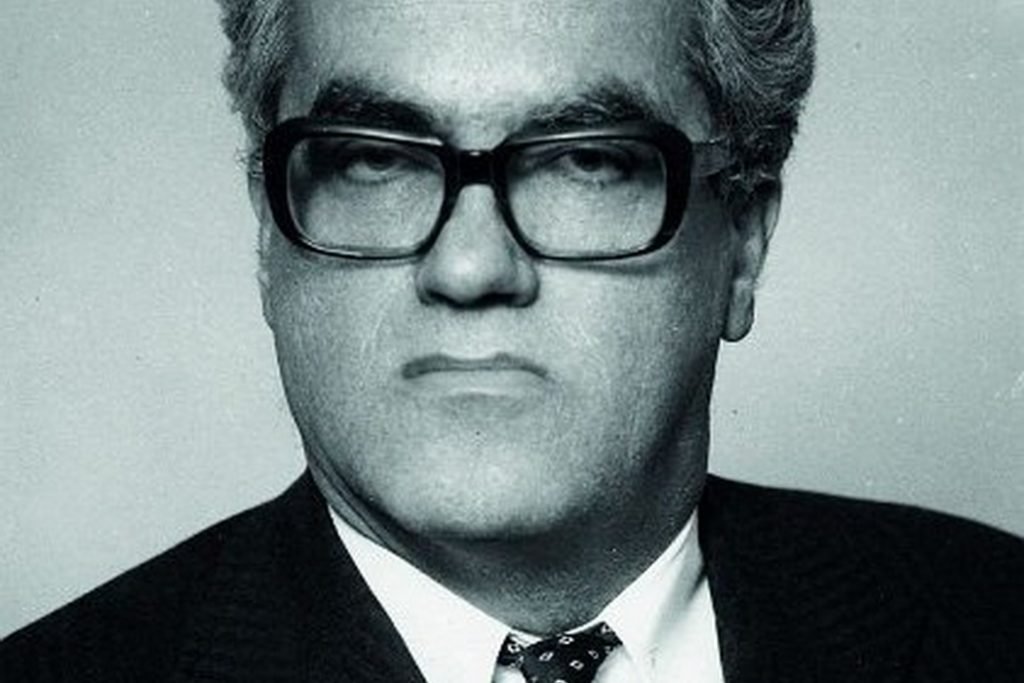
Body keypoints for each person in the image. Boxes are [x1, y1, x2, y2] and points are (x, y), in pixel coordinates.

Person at [2, 0, 1021, 681]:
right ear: (269, 234)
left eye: (585, 161)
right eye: (371, 160)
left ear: (743, 243)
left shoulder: (991, 620)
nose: (469, 266)